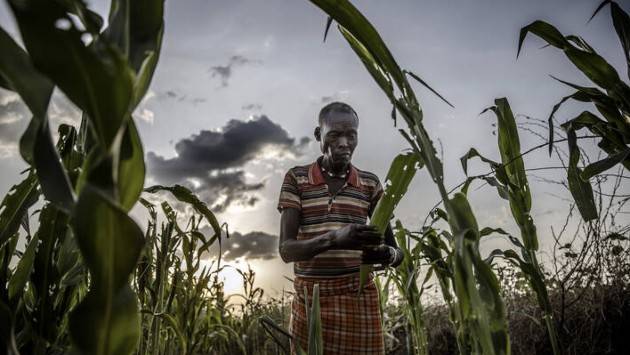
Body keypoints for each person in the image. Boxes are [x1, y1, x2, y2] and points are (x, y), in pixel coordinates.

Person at [277, 101, 403, 354]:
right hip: (309, 300)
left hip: (358, 297)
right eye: (334, 134)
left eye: (351, 135)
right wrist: (334, 238)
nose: (344, 143)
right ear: (318, 135)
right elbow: (287, 251)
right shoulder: (297, 179)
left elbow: (397, 254)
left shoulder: (369, 184)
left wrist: (385, 255)